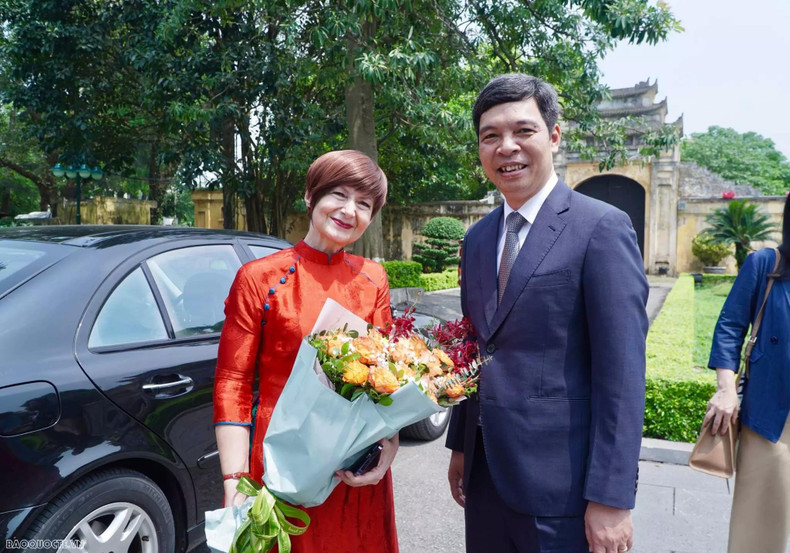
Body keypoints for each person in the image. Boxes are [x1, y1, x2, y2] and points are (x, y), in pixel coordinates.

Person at [445, 73, 648, 553]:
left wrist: (612, 497)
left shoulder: (600, 228)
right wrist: (459, 446)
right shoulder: (476, 240)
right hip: (485, 475)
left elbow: (622, 374)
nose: (506, 147)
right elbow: (472, 351)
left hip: (565, 489)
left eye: (523, 131)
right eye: (490, 136)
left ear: (554, 136)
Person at [213, 150, 399, 552]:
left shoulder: (373, 278)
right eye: (339, 194)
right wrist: (234, 481)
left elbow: (388, 378)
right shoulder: (259, 278)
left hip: (352, 467)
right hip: (280, 460)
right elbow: (233, 383)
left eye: (364, 204)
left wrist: (389, 450)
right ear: (310, 196)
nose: (350, 211)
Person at [705, 192, 790, 553]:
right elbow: (729, 327)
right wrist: (726, 389)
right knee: (758, 535)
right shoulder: (765, 265)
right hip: (773, 420)